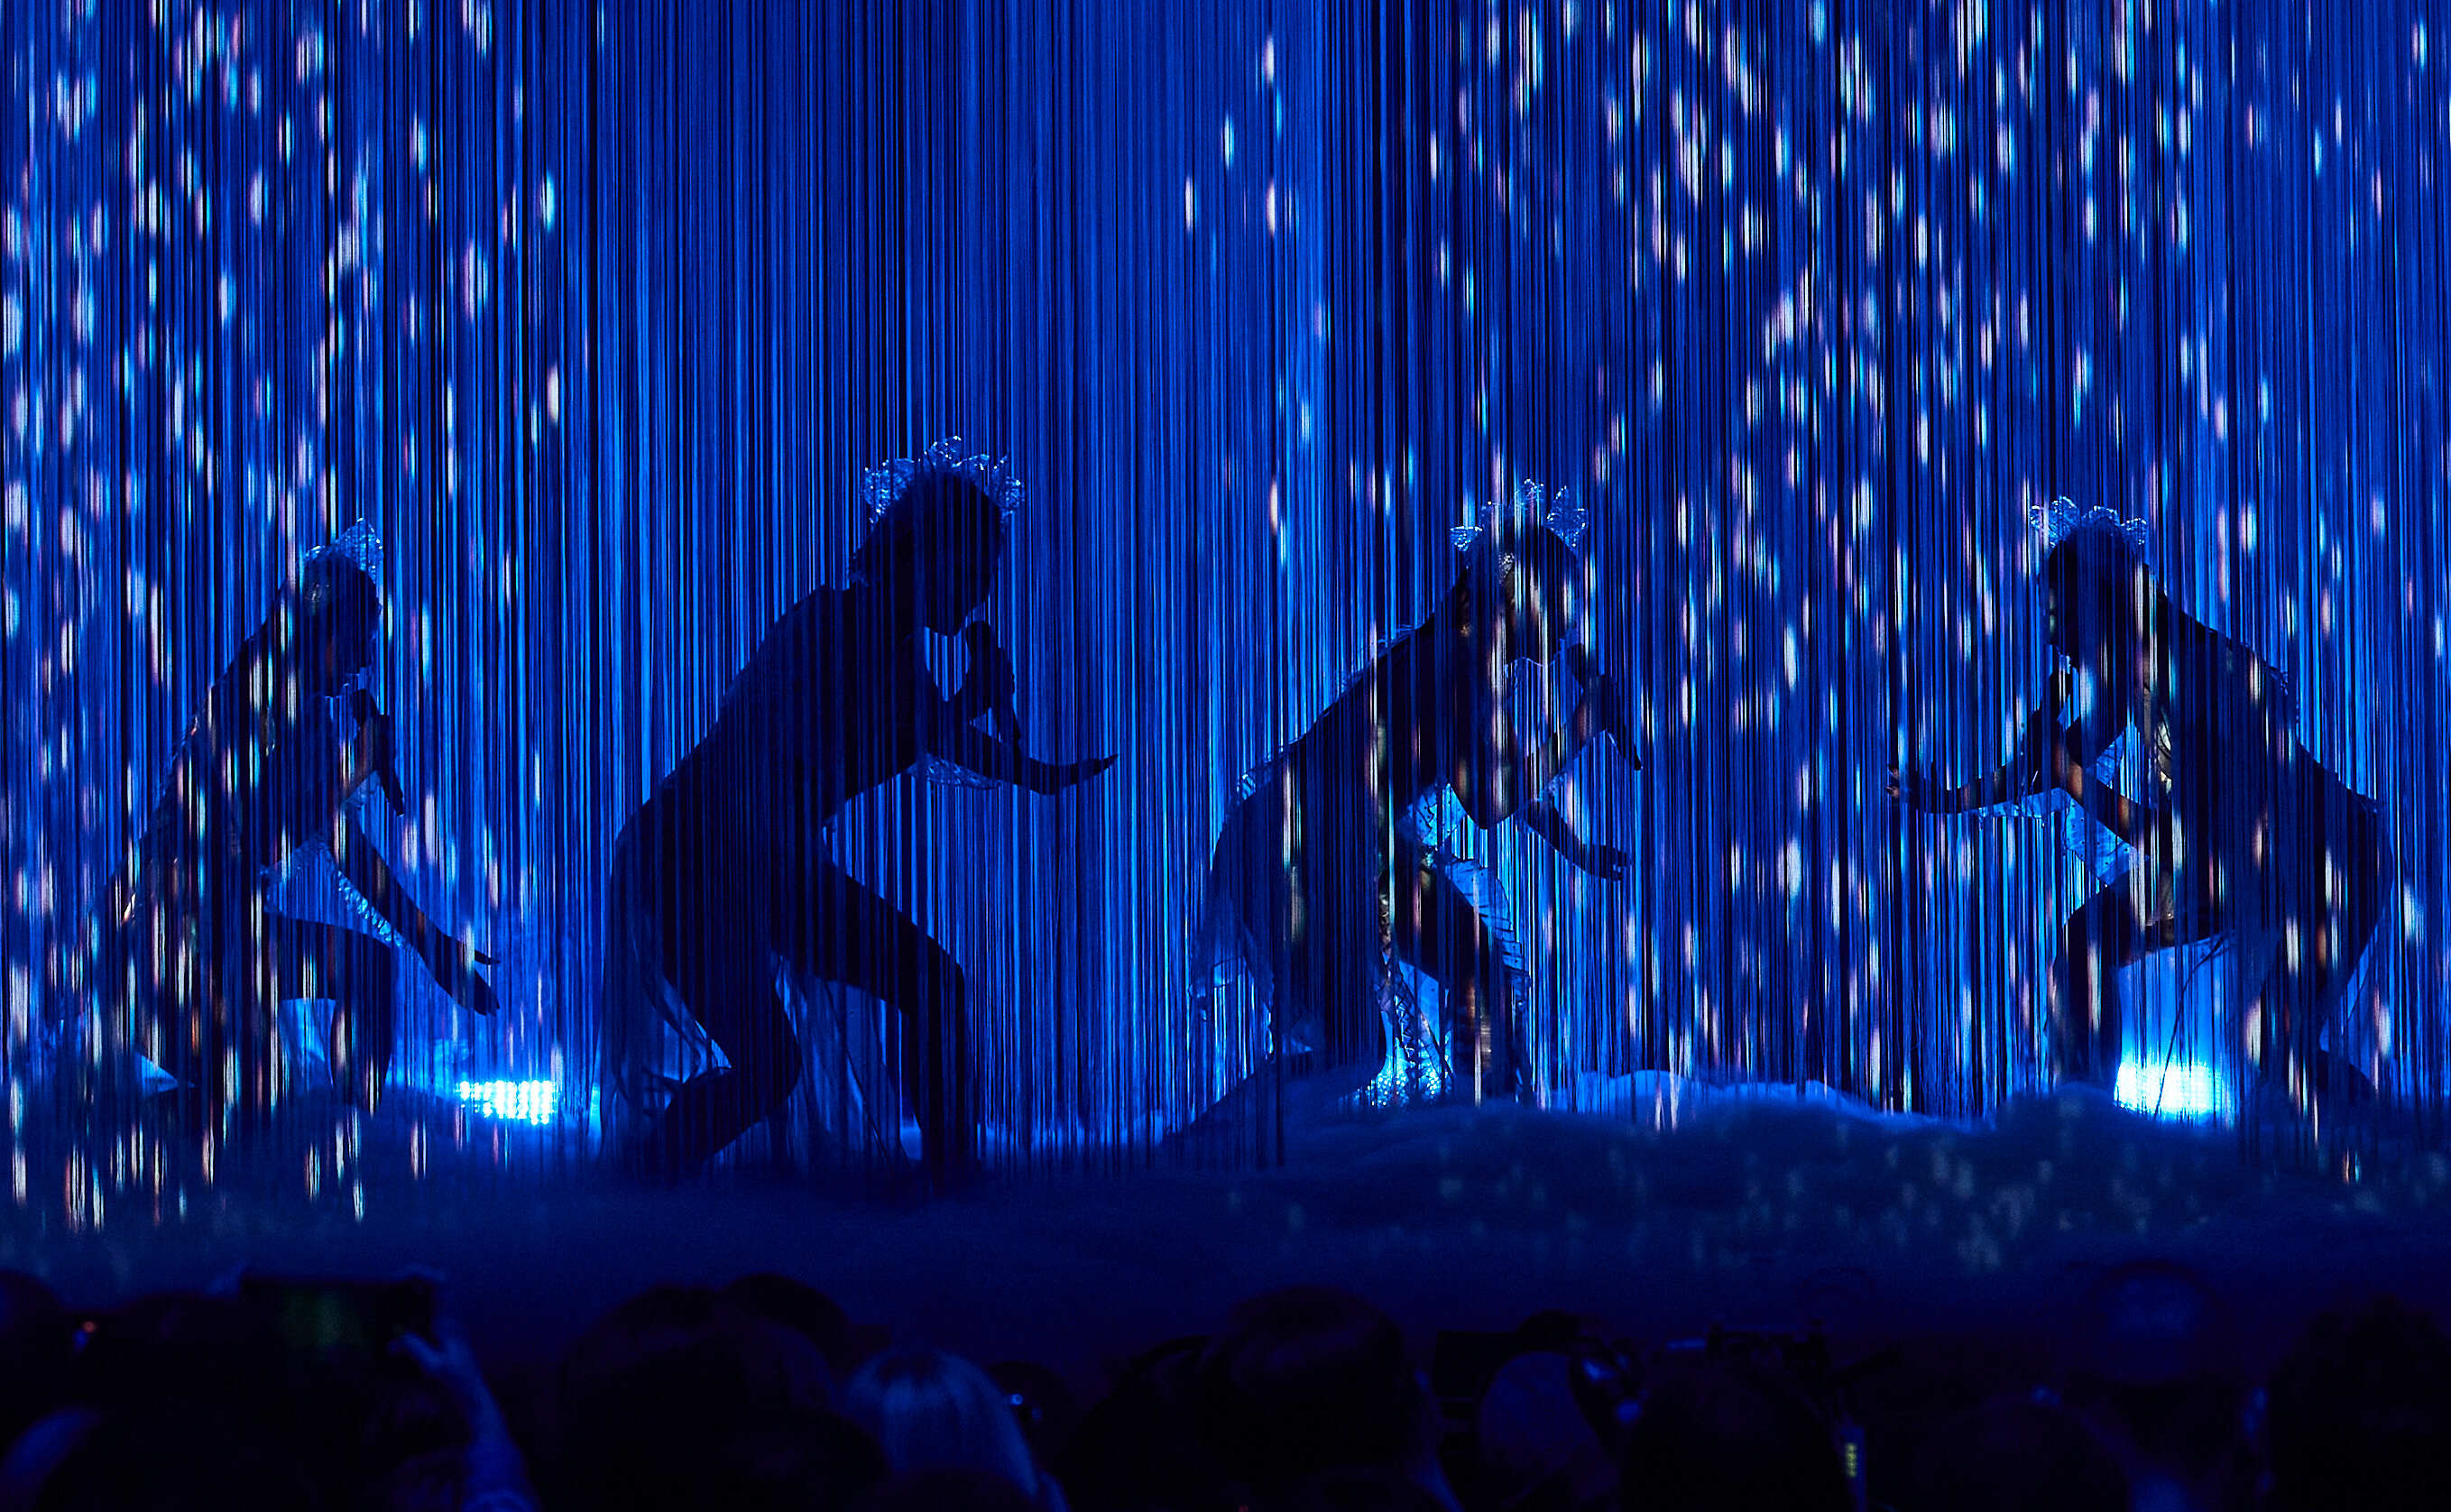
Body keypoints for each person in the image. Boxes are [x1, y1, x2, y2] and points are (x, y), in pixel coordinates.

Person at [609, 441, 1112, 1185]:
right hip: (699, 851)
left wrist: (1037, 774)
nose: (982, 590)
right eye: (974, 566)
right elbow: (867, 751)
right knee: (812, 1042)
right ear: (926, 550)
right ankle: (641, 1187)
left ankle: (945, 1177)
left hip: (755, 852)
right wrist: (981, 707)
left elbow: (918, 734)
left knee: (879, 1008)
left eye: (990, 572)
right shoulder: (844, 625)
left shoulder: (886, 636)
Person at [1892, 502, 2388, 1139]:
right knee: (2083, 947)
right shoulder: (2134, 674)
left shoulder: (2195, 675)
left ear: (2105, 606)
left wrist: (2072, 778)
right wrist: (1951, 799)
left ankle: (2387, 1145)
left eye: (2061, 617)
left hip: (2332, 864)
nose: (2052, 638)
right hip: (2245, 858)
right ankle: (2090, 1137)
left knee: (2275, 1047)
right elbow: (2051, 763)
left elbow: (2182, 843)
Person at [1202, 483, 1633, 1120]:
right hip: (1297, 843)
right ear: (1516, 591)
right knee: (1353, 1050)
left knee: (1467, 969)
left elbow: (1503, 779)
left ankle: (1483, 1134)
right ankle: (1214, 1150)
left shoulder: (1475, 664)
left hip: (1342, 843)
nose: (1570, 617)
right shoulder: (1456, 663)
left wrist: (1578, 848)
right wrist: (1580, 725)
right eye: (1561, 595)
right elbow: (1489, 801)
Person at [107, 527, 496, 1142]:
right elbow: (255, 835)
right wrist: (355, 770)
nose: (366, 659)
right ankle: (122, 1139)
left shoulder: (307, 712)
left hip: (223, 932)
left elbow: (340, 845)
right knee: (245, 1107)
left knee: (363, 972)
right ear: (322, 624)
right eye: (360, 637)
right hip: (167, 945)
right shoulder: (251, 690)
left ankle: (349, 1145)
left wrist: (432, 944)